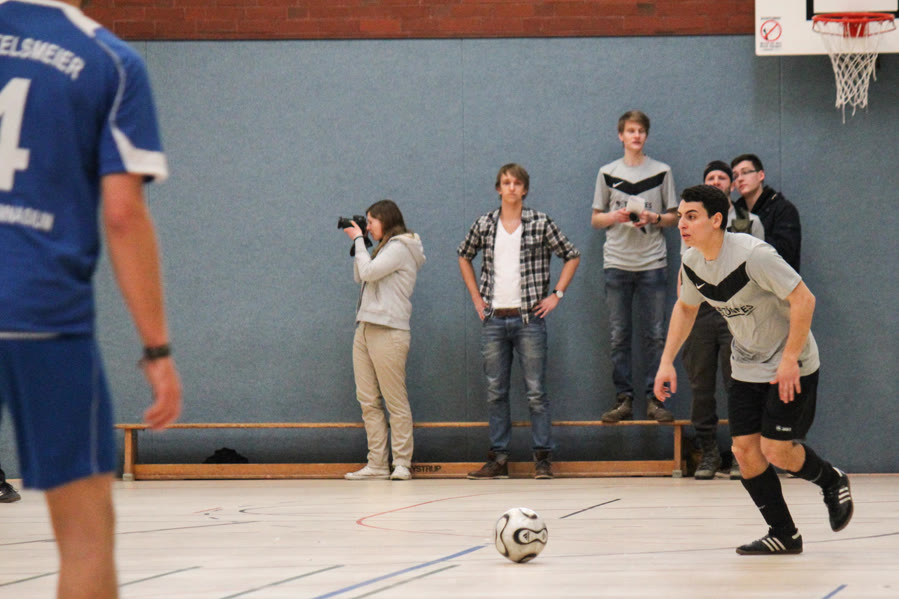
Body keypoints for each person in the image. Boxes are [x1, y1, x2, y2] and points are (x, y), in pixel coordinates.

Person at [0, 1, 183, 597]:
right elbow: (123, 215)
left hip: (40, 312)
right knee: (86, 539)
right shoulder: (109, 60)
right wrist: (157, 349)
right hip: (43, 317)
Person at [655, 185, 852, 555]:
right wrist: (666, 362)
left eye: (691, 216)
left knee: (776, 450)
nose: (681, 223)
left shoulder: (754, 255)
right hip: (747, 363)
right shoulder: (692, 262)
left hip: (790, 362)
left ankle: (831, 480)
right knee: (745, 451)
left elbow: (804, 299)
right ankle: (784, 534)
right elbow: (686, 308)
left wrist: (790, 359)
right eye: (680, 216)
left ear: (716, 220)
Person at [459, 163, 580, 480]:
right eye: (505, 182)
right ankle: (499, 459)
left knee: (536, 392)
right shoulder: (485, 224)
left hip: (529, 319)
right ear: (498, 189)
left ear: (524, 189)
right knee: (495, 391)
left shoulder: (540, 222)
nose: (511, 187)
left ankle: (542, 458)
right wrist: (476, 297)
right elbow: (463, 254)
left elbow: (572, 254)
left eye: (516, 183)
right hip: (494, 319)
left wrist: (556, 294)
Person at [592, 110, 678, 423]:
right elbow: (596, 219)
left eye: (641, 131)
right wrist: (613, 217)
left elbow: (674, 217)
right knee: (619, 336)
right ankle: (624, 399)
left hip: (652, 262)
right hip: (617, 263)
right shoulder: (607, 173)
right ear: (621, 136)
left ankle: (656, 401)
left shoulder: (662, 171)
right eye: (630, 131)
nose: (636, 136)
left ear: (646, 135)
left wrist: (654, 218)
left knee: (656, 335)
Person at [682, 161, 763, 480]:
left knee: (740, 384)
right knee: (700, 384)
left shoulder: (750, 222)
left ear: (731, 184)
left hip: (739, 311)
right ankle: (709, 453)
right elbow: (687, 271)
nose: (716, 181)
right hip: (703, 310)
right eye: (710, 178)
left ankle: (743, 453)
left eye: (721, 177)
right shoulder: (691, 223)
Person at [341, 200, 425, 481]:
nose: (367, 226)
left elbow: (368, 272)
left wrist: (359, 241)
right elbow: (361, 276)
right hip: (366, 327)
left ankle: (401, 462)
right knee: (368, 400)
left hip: (389, 329)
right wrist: (362, 244)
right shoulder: (382, 248)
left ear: (385, 220)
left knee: (394, 400)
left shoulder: (401, 247)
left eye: (370, 221)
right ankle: (377, 463)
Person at [731, 153, 801, 272]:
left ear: (761, 175)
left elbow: (786, 254)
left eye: (745, 172)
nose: (740, 179)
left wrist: (752, 236)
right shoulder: (735, 213)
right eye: (735, 176)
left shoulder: (783, 209)